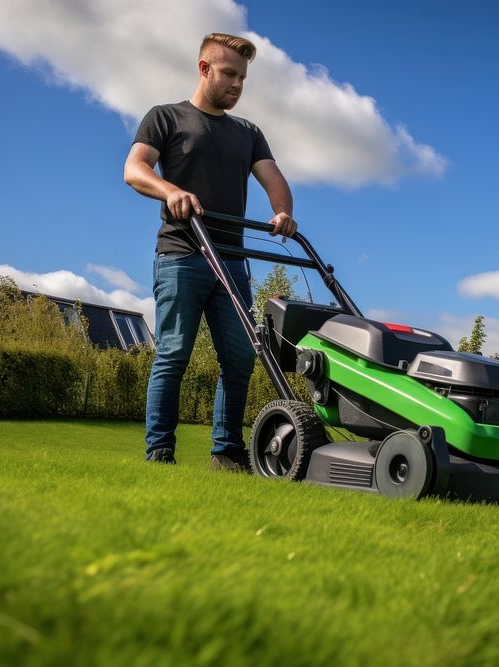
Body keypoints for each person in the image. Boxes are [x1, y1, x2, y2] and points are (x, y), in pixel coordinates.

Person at [124, 33, 297, 469]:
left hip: (231, 262)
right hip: (181, 253)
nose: (238, 85)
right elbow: (134, 168)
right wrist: (170, 191)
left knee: (241, 356)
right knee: (175, 352)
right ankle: (159, 451)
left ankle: (226, 452)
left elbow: (274, 178)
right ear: (204, 69)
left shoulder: (248, 133)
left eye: (243, 77)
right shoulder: (166, 117)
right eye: (229, 74)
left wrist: (282, 212)